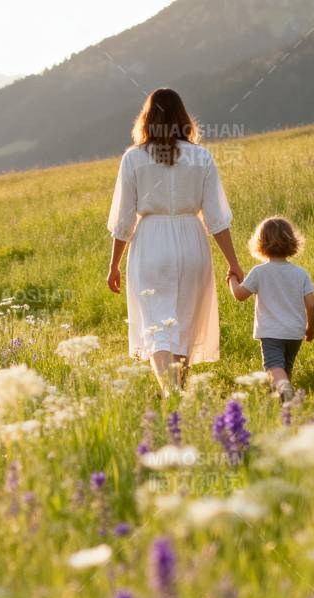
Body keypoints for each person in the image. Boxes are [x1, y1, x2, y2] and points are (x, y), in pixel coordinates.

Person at [107, 87, 245, 396]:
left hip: (150, 243)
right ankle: (177, 392)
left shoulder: (133, 159)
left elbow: (124, 220)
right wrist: (233, 262)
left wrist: (113, 264)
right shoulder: (201, 157)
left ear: (147, 118)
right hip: (191, 241)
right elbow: (217, 218)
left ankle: (172, 395)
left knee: (156, 325)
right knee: (183, 322)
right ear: (184, 117)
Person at [227, 216, 314, 400]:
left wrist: (232, 280)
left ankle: (287, 394)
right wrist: (310, 328)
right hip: (294, 332)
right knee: (285, 369)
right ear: (292, 242)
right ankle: (285, 406)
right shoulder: (301, 274)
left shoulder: (260, 272)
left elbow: (239, 295)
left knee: (273, 367)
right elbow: (312, 304)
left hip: (271, 333)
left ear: (260, 243)